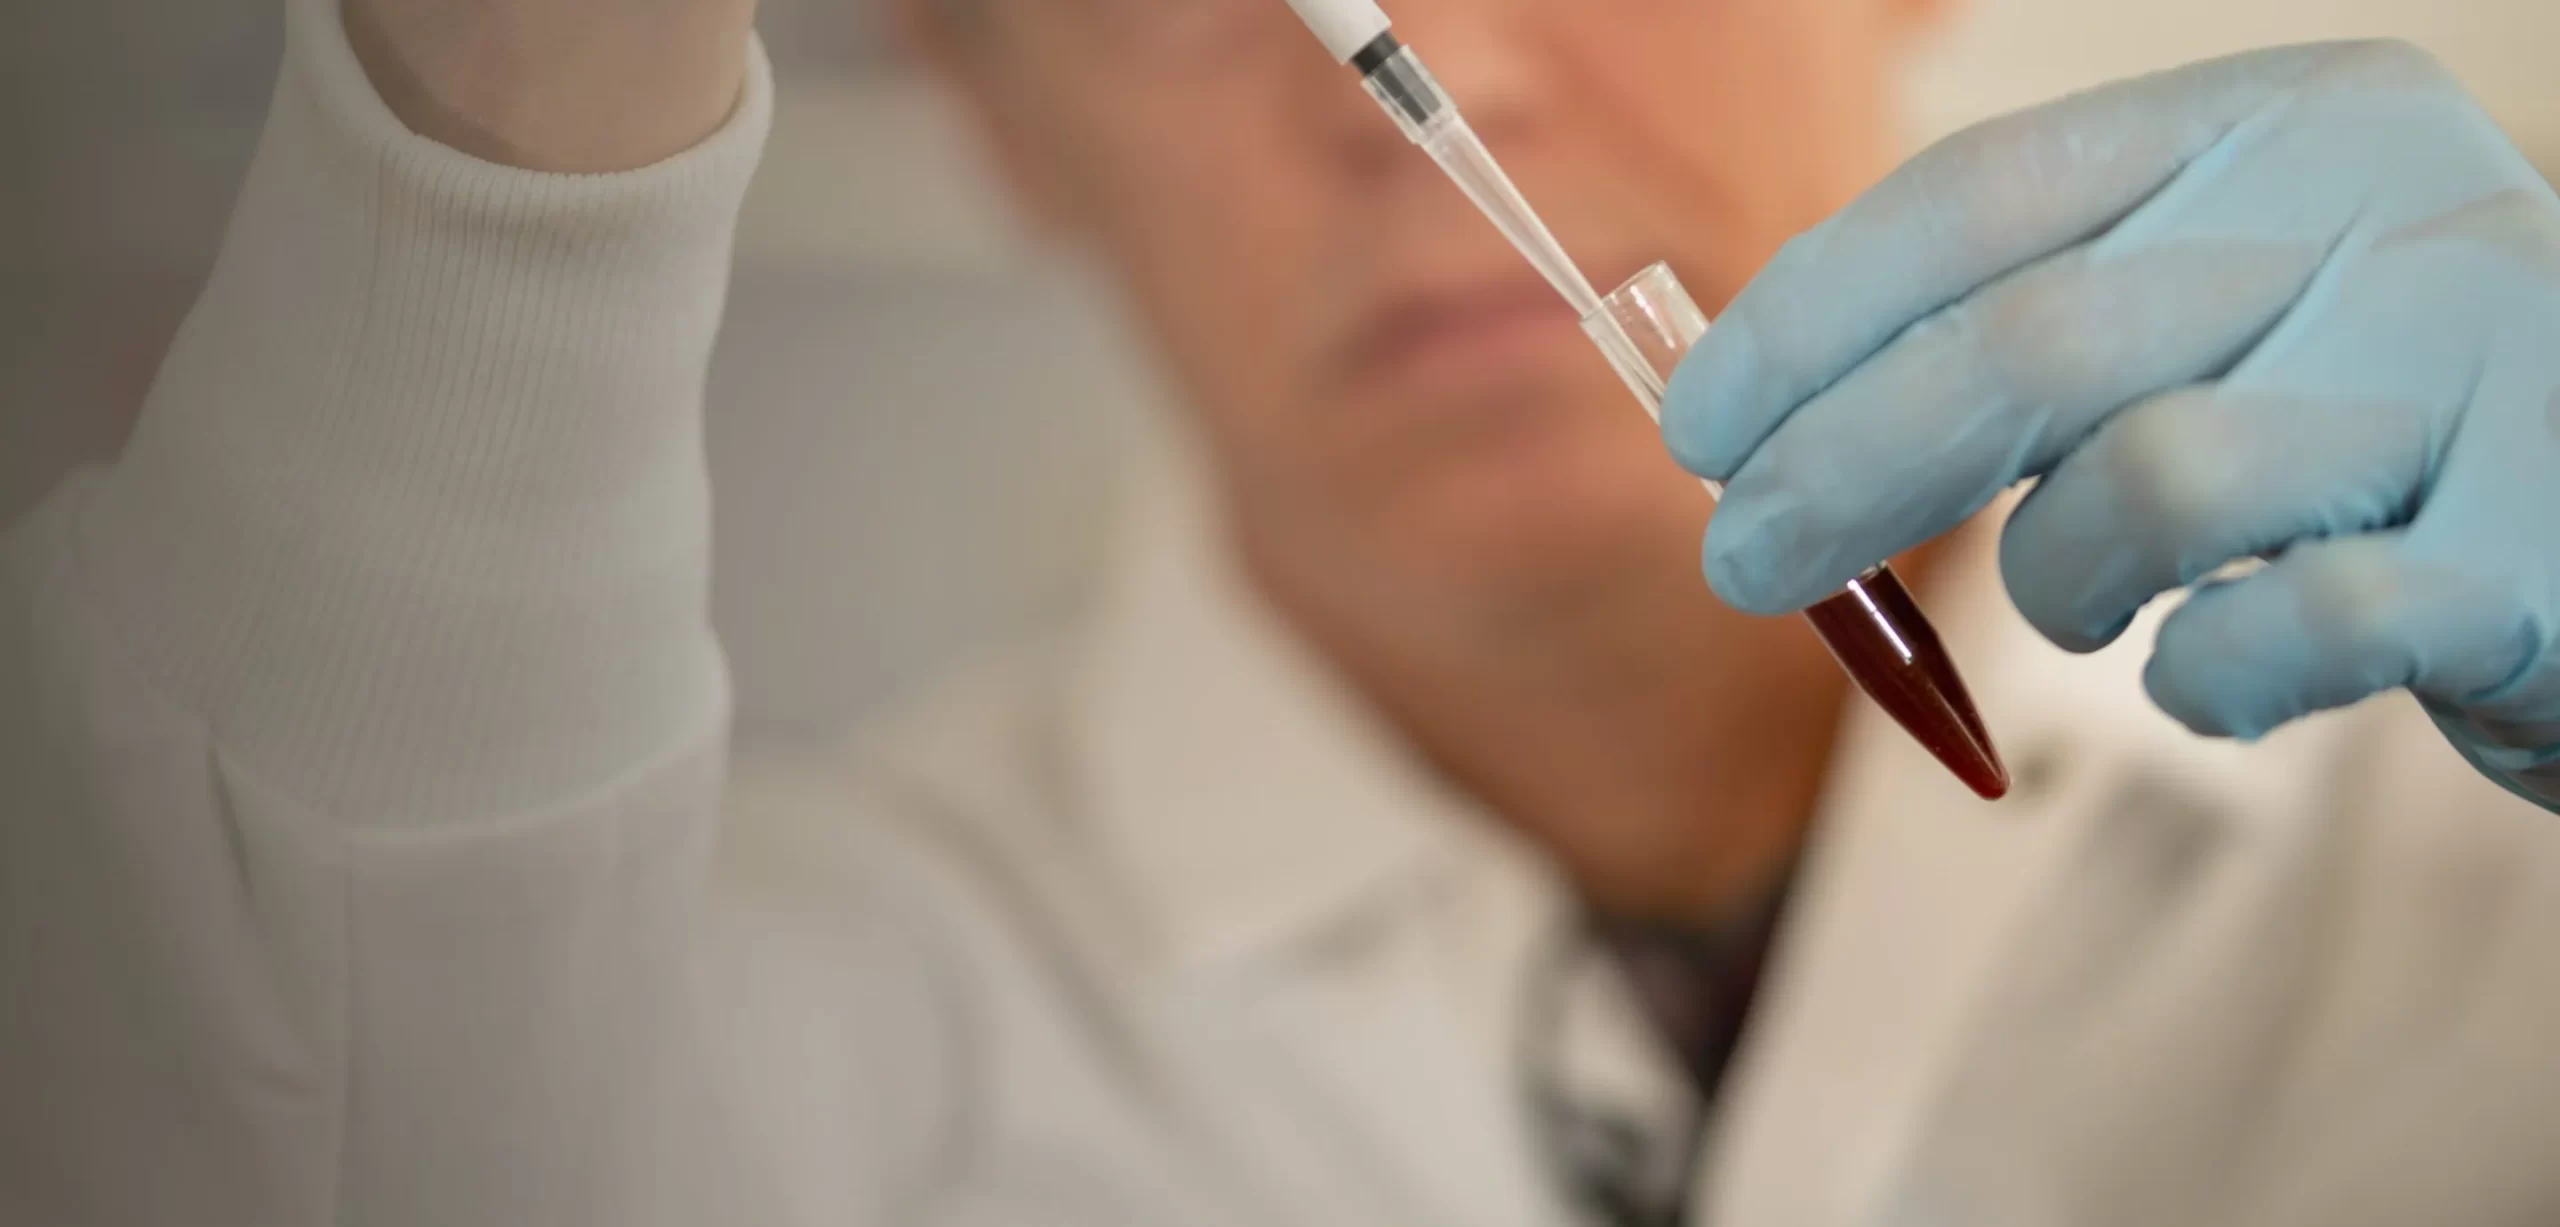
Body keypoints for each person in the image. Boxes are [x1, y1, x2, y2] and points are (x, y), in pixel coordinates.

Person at [5, 0, 2559, 1222]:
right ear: (980, 102)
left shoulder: (2485, 832)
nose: (1428, 72)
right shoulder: (731, 1049)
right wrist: (507, 110)